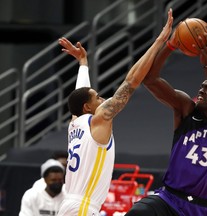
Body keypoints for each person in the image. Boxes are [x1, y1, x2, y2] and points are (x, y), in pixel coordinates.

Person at [56, 9, 173, 216]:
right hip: (82, 207)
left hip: (69, 204)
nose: (103, 100)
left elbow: (79, 94)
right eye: (98, 97)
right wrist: (159, 41)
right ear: (88, 107)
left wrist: (83, 64)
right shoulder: (99, 120)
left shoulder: (75, 122)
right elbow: (131, 81)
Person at [125, 18, 207, 216]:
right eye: (202, 86)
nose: (201, 89)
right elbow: (150, 79)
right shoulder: (186, 108)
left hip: (202, 209)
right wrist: (171, 45)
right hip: (168, 199)